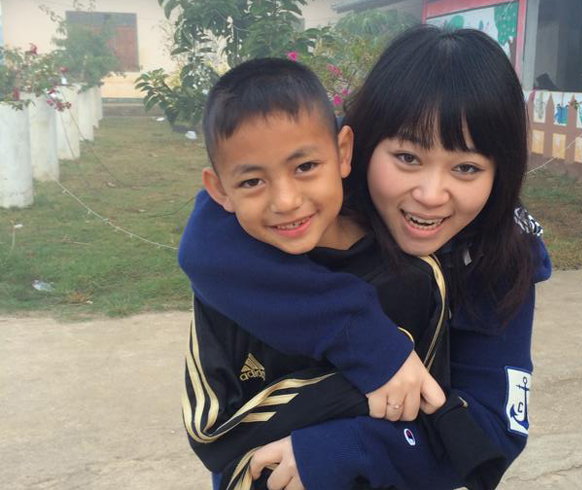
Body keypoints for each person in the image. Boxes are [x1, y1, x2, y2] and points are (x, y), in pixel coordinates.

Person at [180, 26, 552, 490]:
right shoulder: (314, 192)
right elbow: (206, 240)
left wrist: (343, 449)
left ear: (503, 171)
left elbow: (492, 431)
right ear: (355, 148)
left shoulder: (501, 256)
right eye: (407, 158)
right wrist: (365, 339)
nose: (431, 195)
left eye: (466, 168)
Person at [181, 57, 449, 490]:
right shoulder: (226, 289)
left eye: (305, 167)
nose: (286, 200)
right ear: (219, 190)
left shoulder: (412, 275)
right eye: (252, 182)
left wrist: (338, 442)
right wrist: (357, 387)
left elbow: (433, 413)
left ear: (343, 153)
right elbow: (213, 435)